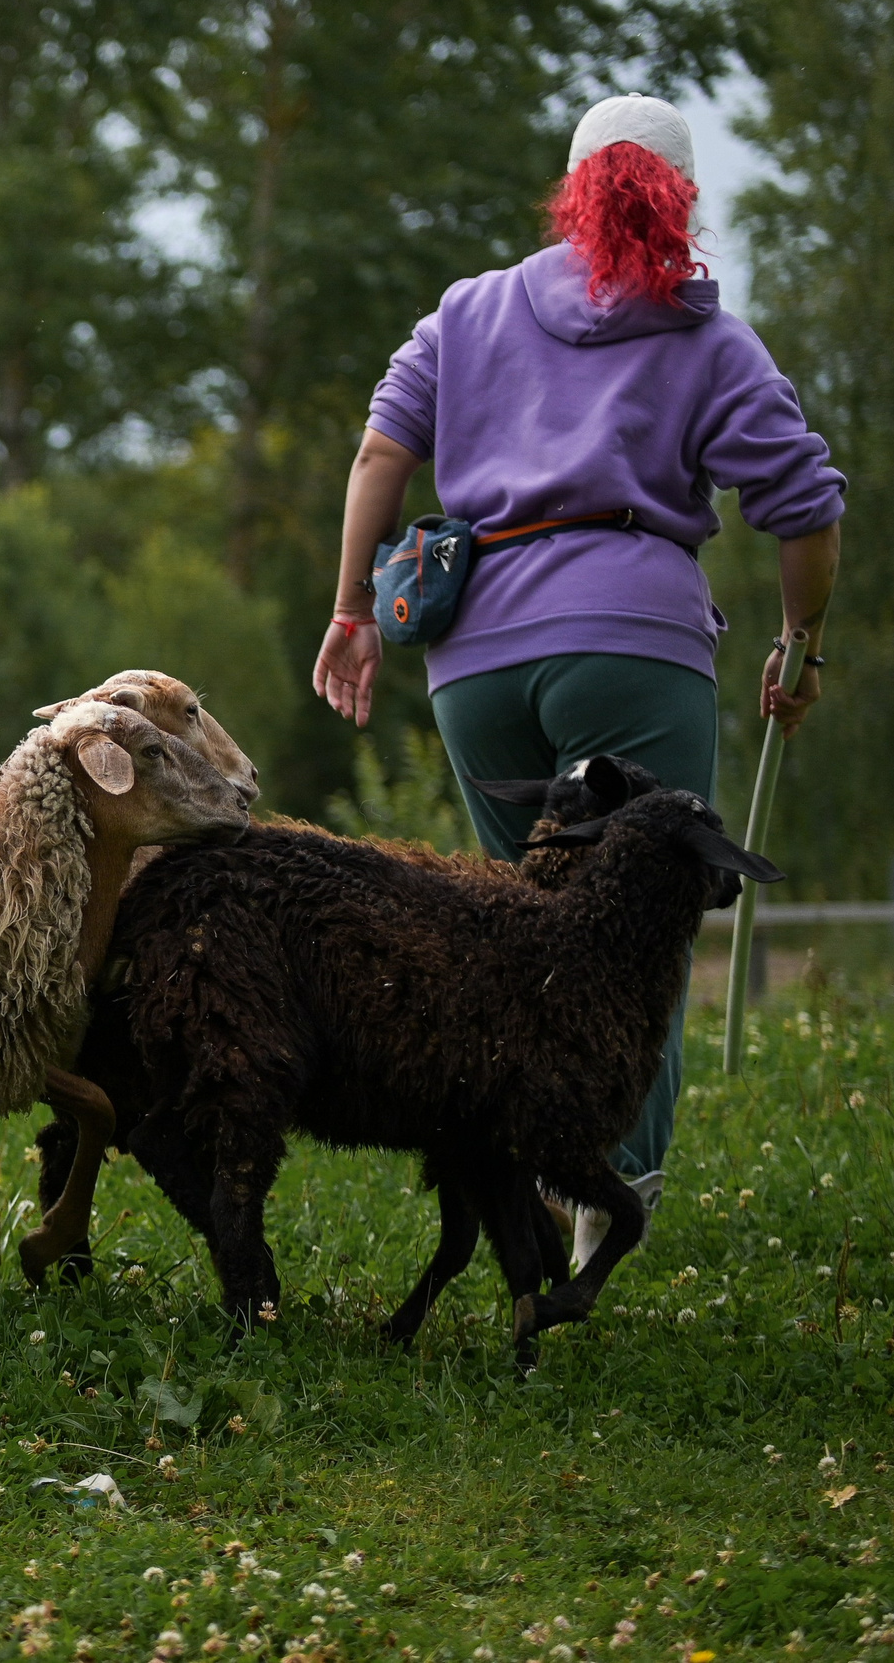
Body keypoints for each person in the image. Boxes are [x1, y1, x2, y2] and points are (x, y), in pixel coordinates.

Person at [311, 94, 845, 1264]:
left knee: (526, 929)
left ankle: (532, 1185)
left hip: (478, 663)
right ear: (682, 194)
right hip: (631, 648)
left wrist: (352, 611)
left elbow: (381, 451)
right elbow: (804, 508)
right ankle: (612, 1188)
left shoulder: (466, 312)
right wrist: (798, 645)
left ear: (568, 188)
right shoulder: (710, 341)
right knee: (637, 933)